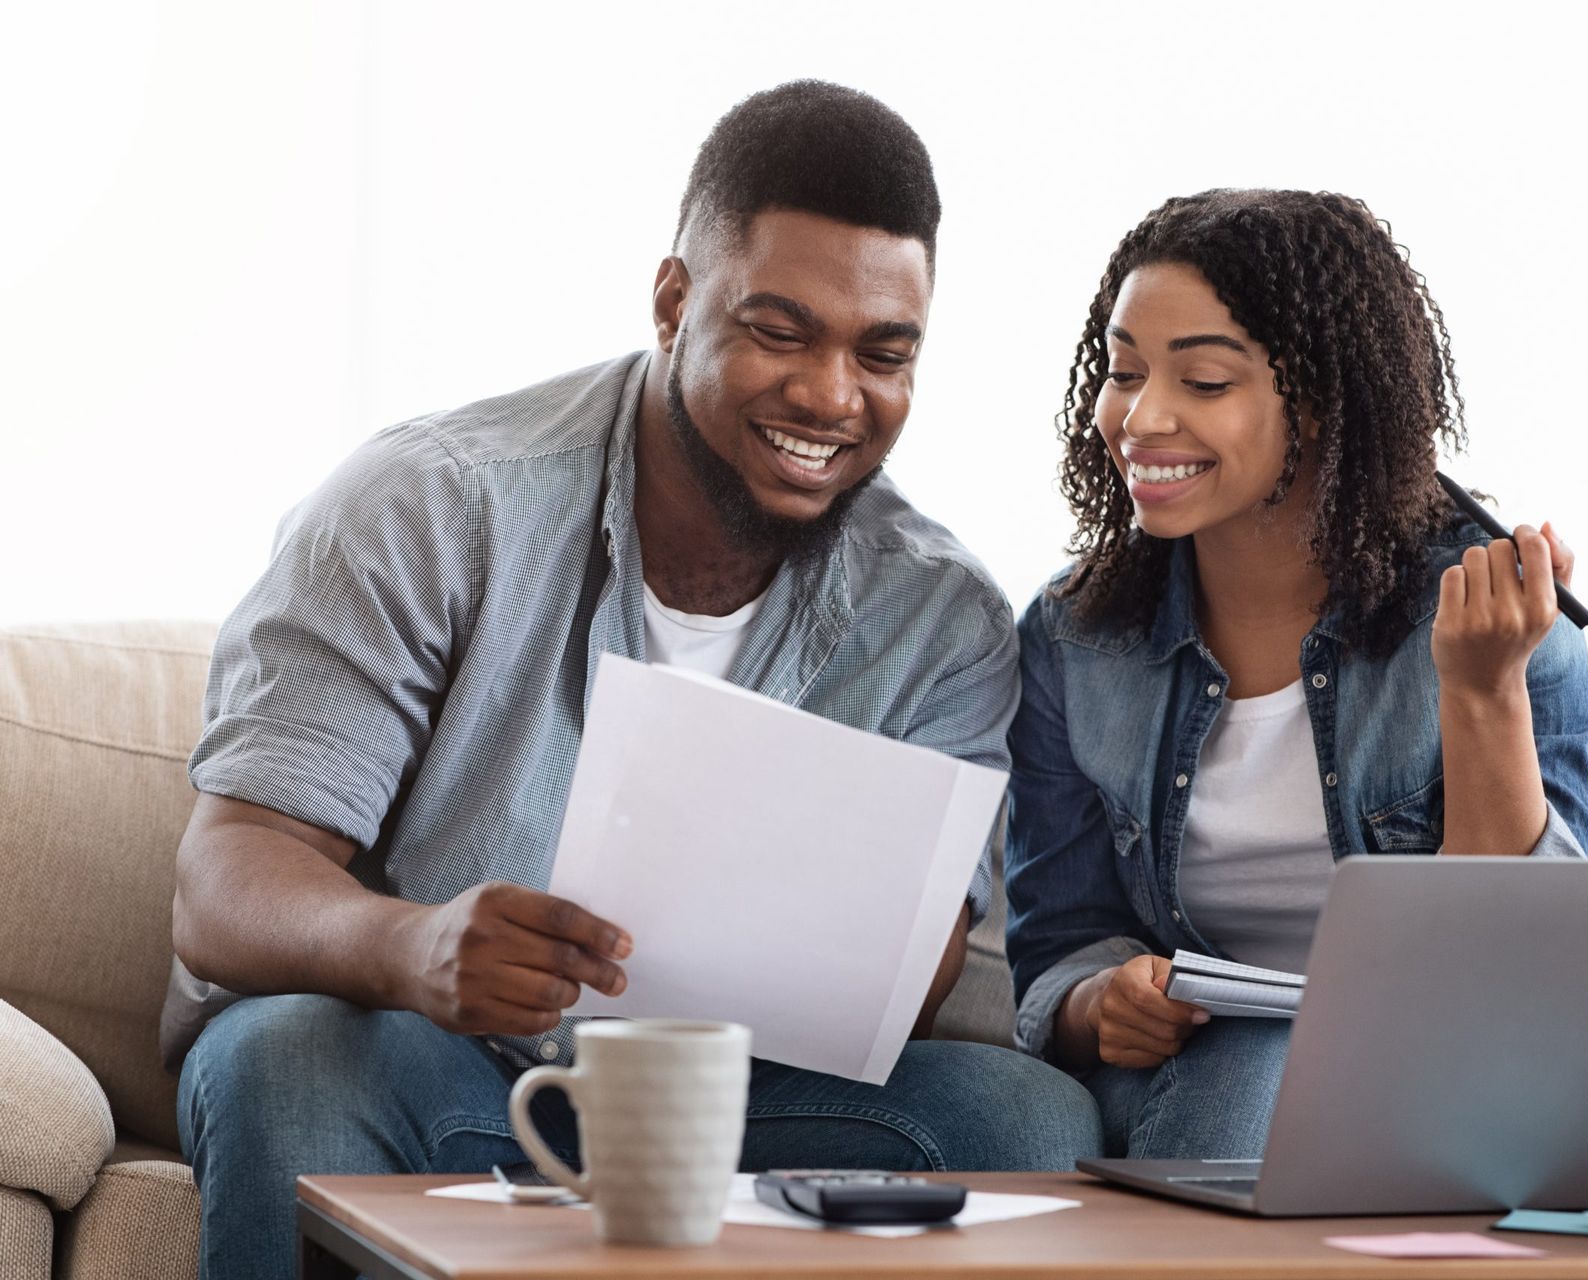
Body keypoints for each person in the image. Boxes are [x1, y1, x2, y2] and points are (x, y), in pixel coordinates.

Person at [168, 81, 1100, 1279]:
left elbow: (911, 990)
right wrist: (416, 946)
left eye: (884, 353)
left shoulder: (943, 617)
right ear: (675, 302)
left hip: (732, 1098)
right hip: (427, 1060)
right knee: (282, 1058)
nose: (830, 394)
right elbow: (224, 878)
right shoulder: (435, 503)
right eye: (780, 329)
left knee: (1029, 1120)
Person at [1003, 189, 1588, 1161]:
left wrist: (1483, 687)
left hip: (1434, 1075)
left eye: (1201, 381)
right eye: (1122, 371)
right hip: (1188, 1078)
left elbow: (1531, 972)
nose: (1139, 416)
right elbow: (1060, 938)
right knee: (1241, 1067)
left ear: (1319, 401)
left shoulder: (1489, 617)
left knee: (1270, 1071)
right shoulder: (1075, 637)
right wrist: (1098, 1002)